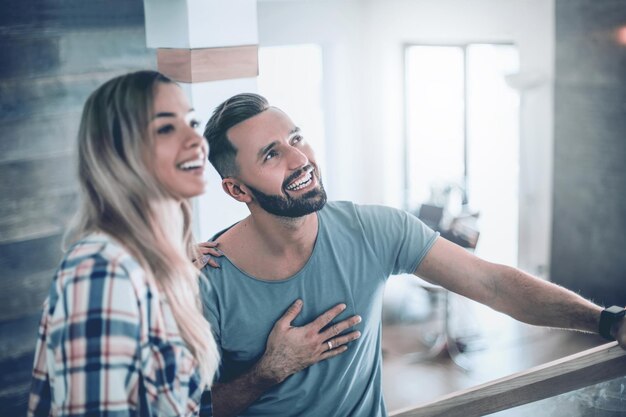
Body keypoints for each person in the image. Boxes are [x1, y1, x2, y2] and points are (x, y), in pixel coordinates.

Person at [199, 93, 626, 417]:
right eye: (272, 154)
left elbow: (494, 285)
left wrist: (608, 321)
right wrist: (270, 369)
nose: (300, 158)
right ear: (238, 190)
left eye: (296, 138)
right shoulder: (206, 279)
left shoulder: (374, 229)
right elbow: (183, 407)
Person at [28, 70, 220, 417]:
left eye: (193, 122)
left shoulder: (160, 264)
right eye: (165, 128)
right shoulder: (104, 270)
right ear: (119, 152)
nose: (196, 139)